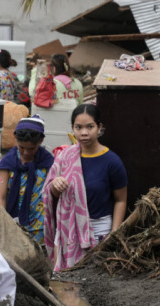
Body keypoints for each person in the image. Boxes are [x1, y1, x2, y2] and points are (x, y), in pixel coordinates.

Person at [43, 103, 127, 271]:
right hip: (67, 231)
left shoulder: (111, 161)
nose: (84, 133)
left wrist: (114, 233)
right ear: (72, 128)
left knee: (94, 283)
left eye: (90, 127)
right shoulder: (65, 157)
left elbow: (121, 200)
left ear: (99, 127)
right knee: (67, 280)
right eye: (78, 127)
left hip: (98, 231)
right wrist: (55, 186)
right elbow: (50, 193)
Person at [0, 115, 54, 245]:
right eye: (22, 147)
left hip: (40, 224)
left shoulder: (48, 162)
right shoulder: (8, 162)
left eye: (31, 148)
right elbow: (1, 197)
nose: (26, 153)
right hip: (12, 223)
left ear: (40, 141)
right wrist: (4, 222)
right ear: (15, 138)